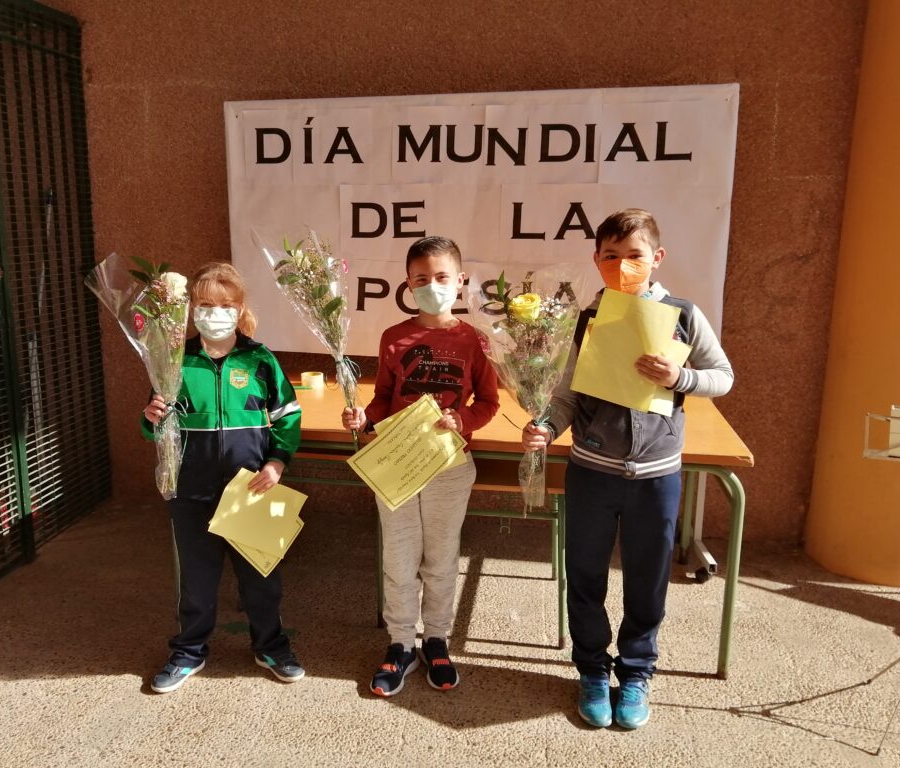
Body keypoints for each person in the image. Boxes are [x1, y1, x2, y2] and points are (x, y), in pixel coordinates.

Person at [522, 209, 734, 729]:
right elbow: (566, 395)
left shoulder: (683, 315)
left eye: (634, 255)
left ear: (656, 258)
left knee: (648, 580)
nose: (622, 266)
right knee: (585, 575)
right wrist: (546, 426)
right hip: (592, 471)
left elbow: (722, 376)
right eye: (610, 256)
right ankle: (593, 669)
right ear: (596, 260)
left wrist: (680, 378)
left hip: (657, 477)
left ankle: (636, 672)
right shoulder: (586, 319)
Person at [342, 236, 499, 697]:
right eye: (422, 279)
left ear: (460, 281)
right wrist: (365, 417)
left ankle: (436, 640)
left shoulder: (474, 339)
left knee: (442, 558)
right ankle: (399, 643)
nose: (432, 286)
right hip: (399, 463)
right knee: (399, 557)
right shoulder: (394, 337)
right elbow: (383, 397)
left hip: (450, 465)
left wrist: (463, 420)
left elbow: (489, 402)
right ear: (408, 285)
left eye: (442, 277)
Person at [142, 261, 305, 693]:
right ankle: (189, 650)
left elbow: (288, 415)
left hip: (251, 487)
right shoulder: (174, 361)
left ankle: (271, 645)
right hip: (191, 490)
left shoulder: (259, 359)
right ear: (191, 310)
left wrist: (277, 462)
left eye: (225, 305)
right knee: (197, 580)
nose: (215, 313)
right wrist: (151, 418)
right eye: (205, 305)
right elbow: (157, 424)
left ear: (239, 309)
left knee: (261, 577)